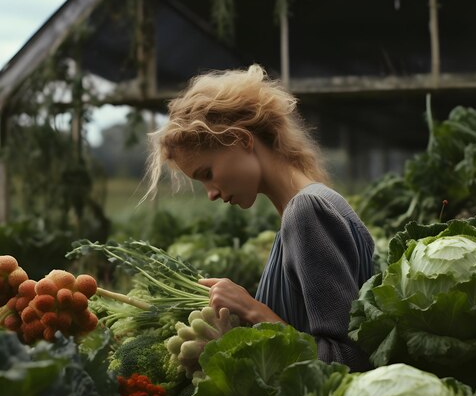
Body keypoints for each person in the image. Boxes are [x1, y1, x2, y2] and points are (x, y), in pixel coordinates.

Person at [144, 64, 374, 372]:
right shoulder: (308, 207)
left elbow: (349, 361)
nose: (211, 194)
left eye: (207, 174)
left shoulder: (307, 212)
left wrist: (253, 310)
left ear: (241, 140)